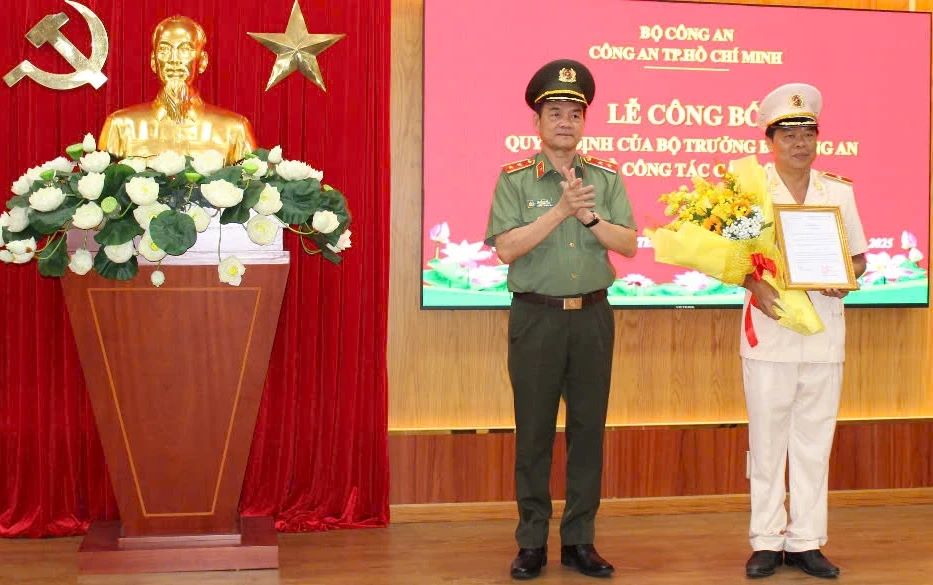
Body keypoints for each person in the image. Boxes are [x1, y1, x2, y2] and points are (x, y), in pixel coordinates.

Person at [485, 59, 637, 580]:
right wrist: (560, 210)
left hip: (592, 318)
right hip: (537, 318)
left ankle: (579, 540)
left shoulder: (607, 178)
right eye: (555, 112)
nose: (565, 121)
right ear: (538, 121)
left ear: (584, 121)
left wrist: (589, 215)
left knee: (588, 432)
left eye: (575, 113)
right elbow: (506, 249)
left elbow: (629, 244)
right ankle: (531, 542)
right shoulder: (514, 180)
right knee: (533, 434)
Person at [741, 83, 867, 579]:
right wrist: (752, 282)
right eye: (788, 134)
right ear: (770, 140)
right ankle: (766, 540)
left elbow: (857, 257)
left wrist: (846, 276)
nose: (800, 143)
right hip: (769, 332)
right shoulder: (751, 191)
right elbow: (732, 260)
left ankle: (807, 541)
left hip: (823, 335)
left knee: (815, 443)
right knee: (767, 443)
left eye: (807, 133)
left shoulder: (838, 192)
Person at [99, 16, 256, 163]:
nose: (174, 60)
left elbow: (251, 179)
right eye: (164, 50)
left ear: (202, 61)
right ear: (153, 61)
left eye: (185, 50)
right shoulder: (120, 126)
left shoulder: (235, 129)